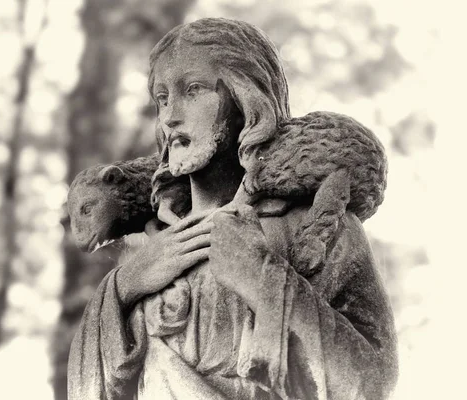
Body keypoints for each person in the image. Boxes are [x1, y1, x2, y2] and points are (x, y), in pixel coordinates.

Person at [68, 18, 398, 400]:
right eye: (162, 98)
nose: (171, 115)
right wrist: (124, 287)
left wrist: (261, 277)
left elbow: (372, 383)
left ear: (246, 101)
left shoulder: (312, 226)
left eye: (193, 90)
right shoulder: (145, 246)